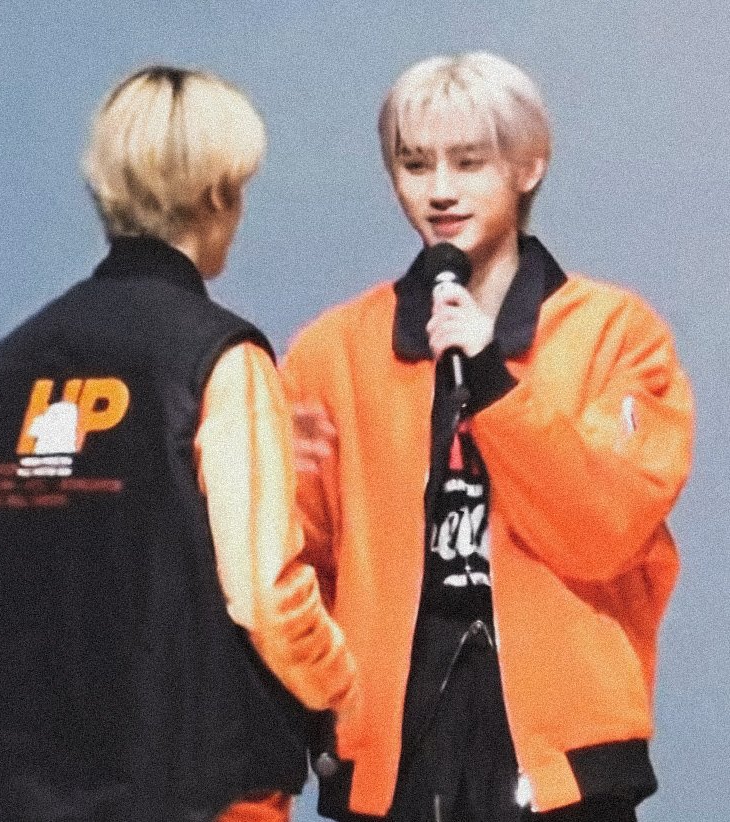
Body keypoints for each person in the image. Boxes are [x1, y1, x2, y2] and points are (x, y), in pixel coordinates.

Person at [0, 66, 357, 822]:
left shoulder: (7, 368)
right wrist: (339, 683)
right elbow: (265, 595)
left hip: (11, 792)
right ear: (218, 195)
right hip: (196, 790)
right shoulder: (221, 360)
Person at [282, 52, 693, 822]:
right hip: (393, 753)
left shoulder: (617, 337)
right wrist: (324, 715)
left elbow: (605, 530)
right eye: (414, 164)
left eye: (468, 163)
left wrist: (492, 380)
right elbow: (294, 558)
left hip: (567, 757)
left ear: (529, 166)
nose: (439, 190)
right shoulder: (330, 355)